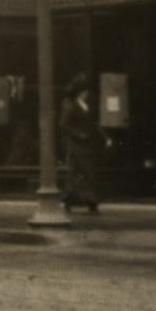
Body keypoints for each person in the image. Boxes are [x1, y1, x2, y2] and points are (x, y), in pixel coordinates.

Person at [60, 75, 108, 213]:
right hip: (77, 146)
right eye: (85, 92)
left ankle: (75, 200)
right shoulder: (71, 106)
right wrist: (79, 135)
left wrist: (103, 137)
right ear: (80, 93)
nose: (87, 94)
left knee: (81, 174)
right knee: (83, 174)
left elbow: (92, 123)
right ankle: (88, 202)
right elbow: (64, 125)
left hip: (85, 146)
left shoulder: (84, 105)